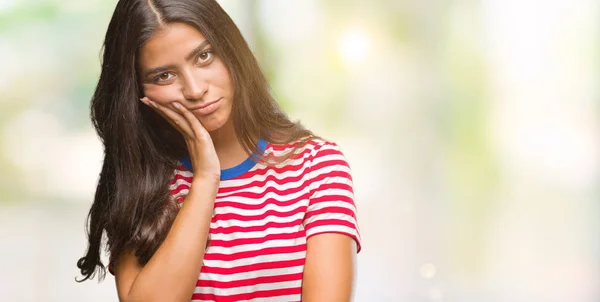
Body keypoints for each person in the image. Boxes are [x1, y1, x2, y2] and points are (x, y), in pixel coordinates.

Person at [76, 0, 361, 301]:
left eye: (204, 56)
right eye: (164, 76)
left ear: (231, 51)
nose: (195, 89)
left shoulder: (316, 166)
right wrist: (205, 179)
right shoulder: (138, 186)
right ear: (137, 91)